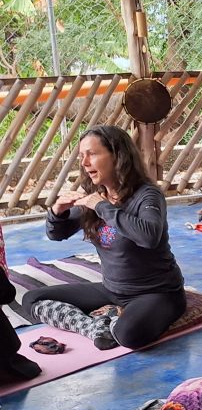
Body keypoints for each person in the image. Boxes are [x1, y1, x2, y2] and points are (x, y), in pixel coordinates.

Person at [25, 126, 187, 350]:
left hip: (157, 292)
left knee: (128, 335)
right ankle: (94, 328)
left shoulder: (147, 195)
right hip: (111, 290)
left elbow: (149, 236)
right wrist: (57, 211)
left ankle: (110, 323)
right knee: (32, 299)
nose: (84, 162)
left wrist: (102, 207)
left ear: (117, 155)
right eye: (81, 156)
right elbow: (56, 234)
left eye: (91, 154)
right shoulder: (96, 196)